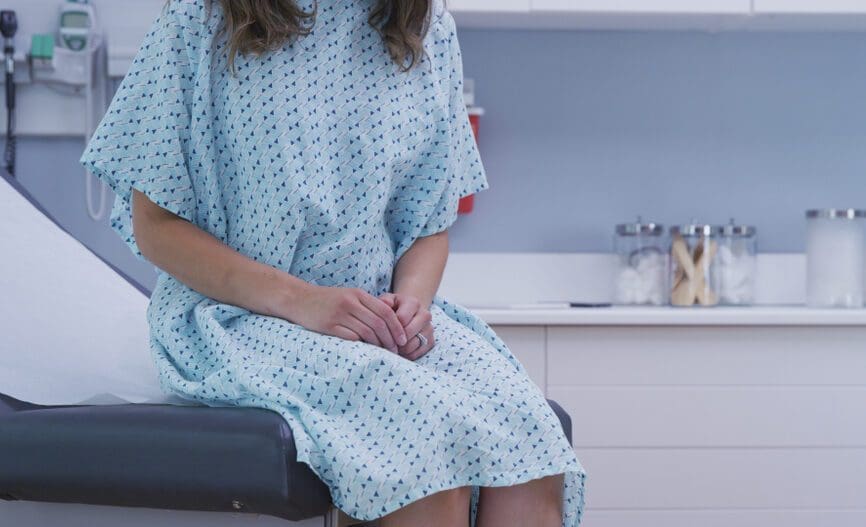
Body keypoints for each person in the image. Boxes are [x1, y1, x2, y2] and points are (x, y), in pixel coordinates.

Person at [80, 0, 586, 525]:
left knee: (530, 440)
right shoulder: (199, 18)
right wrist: (304, 302)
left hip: (373, 323)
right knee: (421, 452)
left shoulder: (425, 26)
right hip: (238, 318)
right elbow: (156, 227)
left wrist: (412, 303)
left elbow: (429, 223)